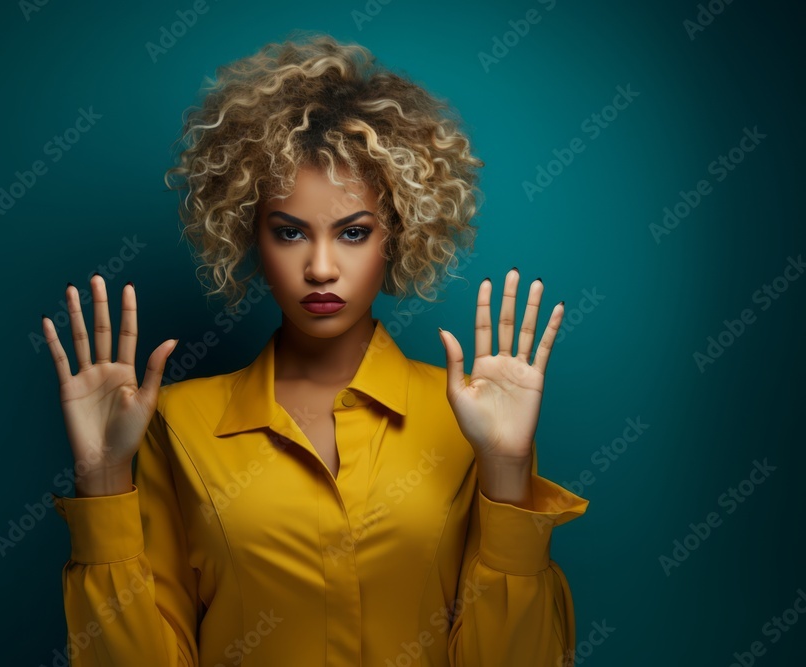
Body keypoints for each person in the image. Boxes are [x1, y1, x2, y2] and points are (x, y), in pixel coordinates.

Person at [42, 31, 589, 667]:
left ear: (399, 238)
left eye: (353, 232)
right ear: (249, 236)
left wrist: (507, 469)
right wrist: (103, 479)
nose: (322, 268)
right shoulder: (177, 424)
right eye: (290, 232)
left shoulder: (473, 423)